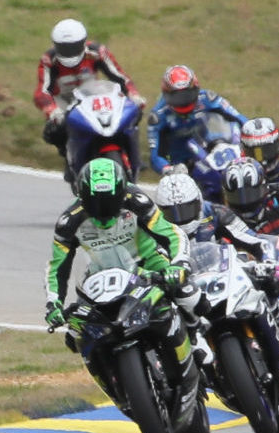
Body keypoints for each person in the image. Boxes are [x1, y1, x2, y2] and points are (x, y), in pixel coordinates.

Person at [45, 158, 208, 386]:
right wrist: (54, 303)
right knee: (75, 335)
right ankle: (113, 377)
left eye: (110, 201)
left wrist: (179, 264)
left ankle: (197, 338)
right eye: (95, 202)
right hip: (101, 275)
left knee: (190, 296)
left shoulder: (136, 200)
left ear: (121, 192)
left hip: (149, 263)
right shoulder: (69, 221)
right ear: (82, 195)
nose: (103, 209)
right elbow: (57, 266)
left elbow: (171, 233)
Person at [33, 19, 140, 172]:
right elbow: (42, 91)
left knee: (131, 115)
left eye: (73, 47)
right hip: (64, 101)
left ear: (83, 43)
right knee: (53, 131)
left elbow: (120, 77)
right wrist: (52, 110)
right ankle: (70, 159)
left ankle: (133, 158)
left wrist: (133, 95)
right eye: (63, 48)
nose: (69, 52)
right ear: (55, 46)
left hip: (92, 95)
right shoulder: (49, 60)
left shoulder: (97, 52)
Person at [148, 65, 247, 176]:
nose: (183, 101)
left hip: (211, 152)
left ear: (196, 88)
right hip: (183, 167)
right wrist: (168, 169)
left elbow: (238, 117)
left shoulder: (207, 98)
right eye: (177, 97)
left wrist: (249, 129)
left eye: (187, 95)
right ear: (166, 94)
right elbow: (155, 157)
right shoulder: (157, 116)